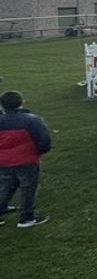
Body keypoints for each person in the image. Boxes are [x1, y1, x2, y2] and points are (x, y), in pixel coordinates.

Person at [0, 91, 52, 228]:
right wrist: (39, 152)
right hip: (27, 160)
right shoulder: (32, 120)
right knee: (28, 188)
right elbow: (43, 140)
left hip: (4, 162)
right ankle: (27, 218)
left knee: (5, 187)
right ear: (21, 102)